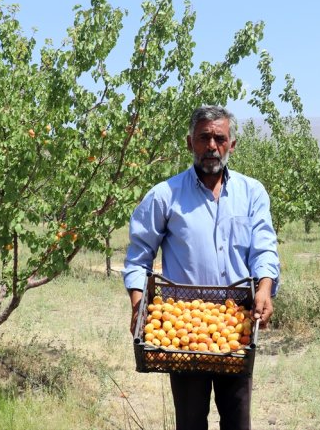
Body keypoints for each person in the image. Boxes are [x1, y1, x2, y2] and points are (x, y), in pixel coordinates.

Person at [123, 105, 280, 430]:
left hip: (236, 328)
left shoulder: (252, 193)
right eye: (203, 137)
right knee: (191, 421)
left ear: (231, 145)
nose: (211, 146)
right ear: (189, 143)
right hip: (183, 333)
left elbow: (264, 248)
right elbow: (139, 255)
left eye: (219, 138)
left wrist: (265, 287)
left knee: (237, 420)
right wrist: (139, 304)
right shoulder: (166, 196)